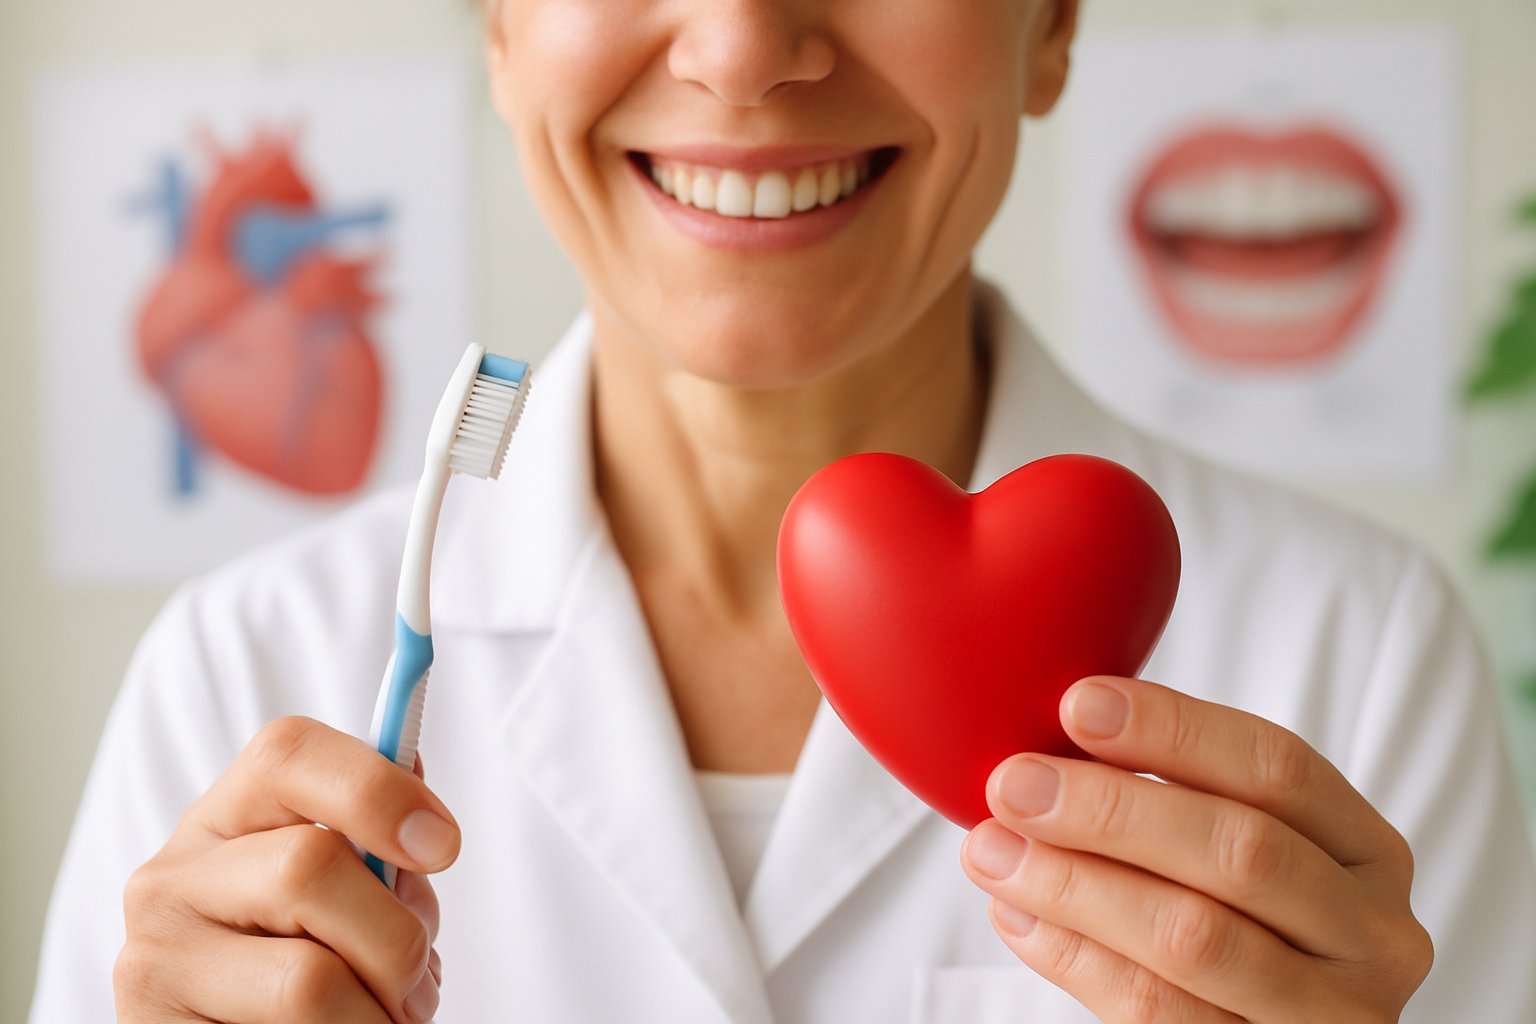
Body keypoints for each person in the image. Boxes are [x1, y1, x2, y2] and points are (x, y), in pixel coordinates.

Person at [29, 0, 1536, 1021]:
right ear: (498, 22)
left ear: (1054, 22)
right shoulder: (239, 673)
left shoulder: (1360, 653)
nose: (745, 49)